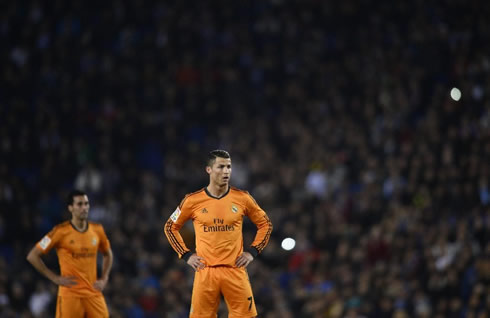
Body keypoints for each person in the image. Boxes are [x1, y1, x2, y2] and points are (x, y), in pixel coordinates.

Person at [164, 150, 273, 318]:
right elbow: (170, 227)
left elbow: (265, 224)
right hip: (206, 271)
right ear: (209, 170)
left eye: (229, 167)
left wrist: (253, 252)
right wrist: (186, 255)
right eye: (221, 167)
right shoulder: (192, 200)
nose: (226, 171)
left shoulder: (243, 198)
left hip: (235, 269)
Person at [27, 190, 113, 318]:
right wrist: (54, 278)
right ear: (70, 208)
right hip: (70, 295)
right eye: (79, 204)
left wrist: (105, 278)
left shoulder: (97, 230)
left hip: (93, 293)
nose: (84, 208)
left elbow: (108, 254)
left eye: (86, 204)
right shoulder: (59, 232)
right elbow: (32, 256)